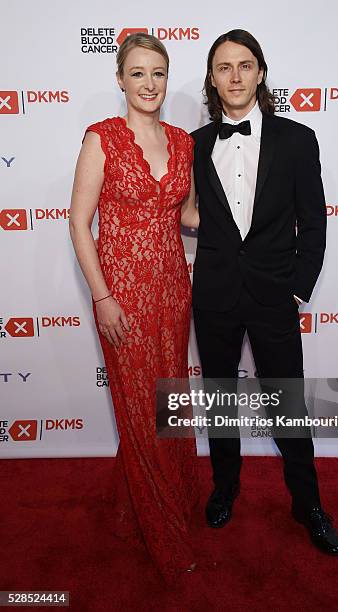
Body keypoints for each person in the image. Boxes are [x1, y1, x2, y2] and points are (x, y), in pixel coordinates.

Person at [191, 29, 338, 555]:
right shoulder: (194, 144)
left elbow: (314, 223)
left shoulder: (298, 139)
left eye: (244, 65)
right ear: (212, 78)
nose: (234, 76)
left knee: (288, 405)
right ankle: (224, 487)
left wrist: (297, 290)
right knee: (220, 401)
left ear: (260, 71)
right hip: (213, 294)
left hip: (273, 294)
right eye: (223, 67)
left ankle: (308, 504)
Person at [69, 32, 200, 583]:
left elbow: (190, 217)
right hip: (122, 293)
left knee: (168, 408)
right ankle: (164, 534)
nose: (150, 84)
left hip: (173, 289)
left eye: (159, 73)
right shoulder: (102, 139)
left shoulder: (183, 142)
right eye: (139, 73)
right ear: (120, 79)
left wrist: (258, 219)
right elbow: (78, 222)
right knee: (142, 416)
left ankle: (131, 511)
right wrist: (102, 298)